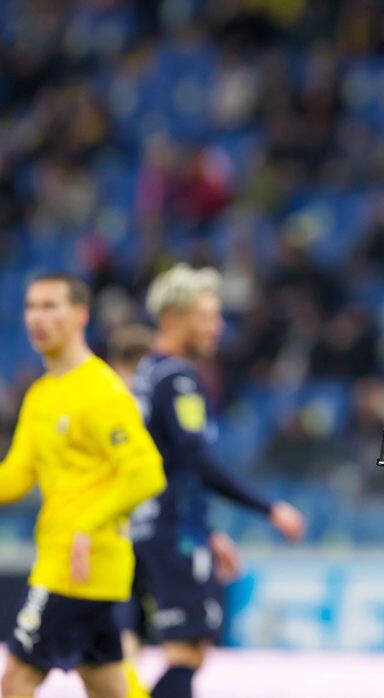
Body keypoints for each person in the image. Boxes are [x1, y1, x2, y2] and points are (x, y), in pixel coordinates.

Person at [123, 264, 306, 698]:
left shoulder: (147, 375)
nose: (217, 326)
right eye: (206, 315)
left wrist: (205, 532)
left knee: (133, 653)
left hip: (148, 526)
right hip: (172, 533)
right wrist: (269, 507)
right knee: (187, 652)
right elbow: (198, 461)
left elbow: (170, 465)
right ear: (173, 317)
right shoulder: (178, 381)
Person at [0, 273, 166, 698]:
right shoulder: (41, 394)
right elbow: (15, 477)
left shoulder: (102, 390)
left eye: (50, 306)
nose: (37, 318)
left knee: (16, 680)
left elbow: (146, 472)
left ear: (80, 315)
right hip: (75, 566)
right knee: (109, 688)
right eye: (31, 307)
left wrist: (86, 525)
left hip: (76, 569)